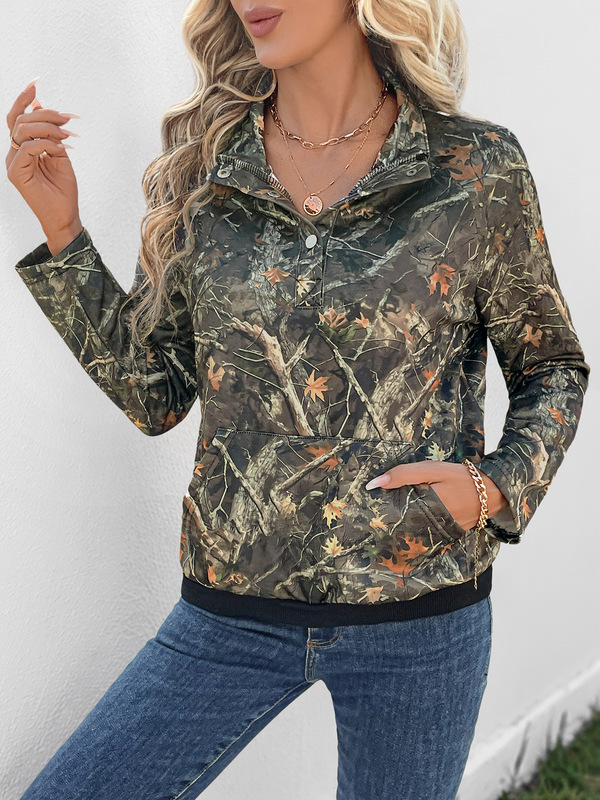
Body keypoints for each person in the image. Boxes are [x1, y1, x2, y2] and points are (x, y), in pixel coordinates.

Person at [6, 0, 591, 798]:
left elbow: (551, 364)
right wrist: (64, 232)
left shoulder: (473, 168)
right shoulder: (205, 171)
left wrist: (494, 488)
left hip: (420, 607)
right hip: (231, 607)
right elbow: (155, 393)